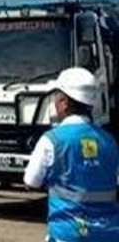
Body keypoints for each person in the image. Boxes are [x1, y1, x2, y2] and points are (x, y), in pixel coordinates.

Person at [23, 67, 118, 241]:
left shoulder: (52, 140)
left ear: (64, 102)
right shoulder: (110, 141)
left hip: (68, 233)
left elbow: (31, 180)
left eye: (56, 97)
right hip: (108, 232)